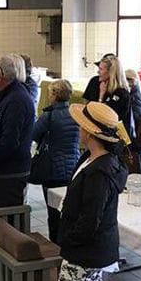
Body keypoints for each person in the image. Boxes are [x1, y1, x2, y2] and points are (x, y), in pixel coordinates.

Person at [54, 102, 128, 281]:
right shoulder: (92, 158)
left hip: (85, 251)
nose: (78, 129)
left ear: (90, 132)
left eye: (81, 126)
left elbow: (90, 219)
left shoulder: (99, 171)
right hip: (96, 249)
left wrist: (69, 240)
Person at [0, 54, 36, 207]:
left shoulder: (17, 100)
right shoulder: (8, 95)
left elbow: (10, 140)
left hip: (11, 172)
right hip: (4, 171)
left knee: (9, 220)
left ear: (0, 77)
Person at [31, 79, 80, 243]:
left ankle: (55, 243)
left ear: (54, 95)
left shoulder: (49, 116)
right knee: (68, 208)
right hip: (73, 165)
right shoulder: (75, 113)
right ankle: (68, 240)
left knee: (53, 211)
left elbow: (34, 135)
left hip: (53, 168)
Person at [125, 68, 141, 153]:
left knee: (132, 163)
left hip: (134, 138)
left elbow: (134, 117)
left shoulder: (135, 97)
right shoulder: (135, 95)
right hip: (134, 138)